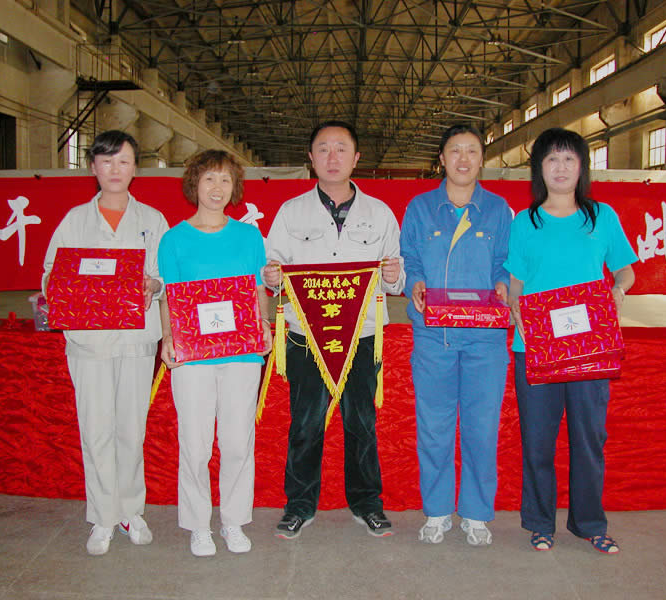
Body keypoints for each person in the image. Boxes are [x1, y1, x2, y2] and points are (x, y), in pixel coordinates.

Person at [263, 120, 404, 539]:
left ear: (356, 158)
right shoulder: (291, 212)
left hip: (362, 335)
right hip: (304, 334)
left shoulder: (379, 213)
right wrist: (271, 276)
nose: (332, 157)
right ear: (311, 158)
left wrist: (394, 275)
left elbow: (394, 277)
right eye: (323, 149)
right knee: (305, 424)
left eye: (341, 148)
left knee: (361, 422)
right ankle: (299, 505)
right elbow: (272, 268)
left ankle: (367, 503)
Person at [505, 127, 636, 554]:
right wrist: (516, 310)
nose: (560, 168)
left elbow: (626, 270)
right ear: (539, 169)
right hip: (536, 348)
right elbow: (515, 284)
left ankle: (590, 523)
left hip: (590, 349)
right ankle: (540, 522)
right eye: (551, 159)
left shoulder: (602, 217)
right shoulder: (526, 222)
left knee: (589, 438)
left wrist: (618, 289)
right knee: (538, 441)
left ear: (582, 167)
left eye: (569, 159)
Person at [42, 130, 169, 556]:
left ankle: (131, 511)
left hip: (136, 339)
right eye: (107, 161)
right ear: (93, 167)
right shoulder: (75, 221)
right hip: (89, 342)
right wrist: (67, 290)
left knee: (130, 430)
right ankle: (102, 516)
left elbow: (167, 276)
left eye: (124, 161)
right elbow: (51, 273)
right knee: (95, 429)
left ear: (135, 168)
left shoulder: (152, 220)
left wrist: (154, 284)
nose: (115, 169)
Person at [400, 123, 512, 546]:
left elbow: (505, 262)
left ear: (482, 159)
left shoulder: (498, 210)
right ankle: (437, 511)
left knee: (482, 427)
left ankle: (477, 514)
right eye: (455, 151)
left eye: (472, 151)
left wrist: (503, 284)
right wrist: (415, 283)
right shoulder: (421, 208)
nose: (463, 159)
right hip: (435, 336)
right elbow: (410, 257)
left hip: (485, 338)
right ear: (442, 159)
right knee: (434, 426)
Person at [158, 150, 272, 557]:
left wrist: (264, 325)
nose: (217, 188)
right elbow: (169, 296)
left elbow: (256, 288)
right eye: (209, 179)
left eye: (225, 179)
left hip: (242, 354)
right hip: (193, 356)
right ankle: (198, 525)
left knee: (238, 441)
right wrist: (168, 337)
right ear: (195, 184)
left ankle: (233, 521)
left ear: (234, 187)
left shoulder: (249, 237)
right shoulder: (173, 239)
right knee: (196, 443)